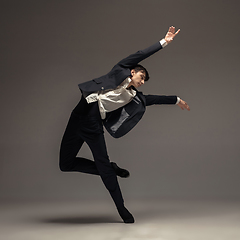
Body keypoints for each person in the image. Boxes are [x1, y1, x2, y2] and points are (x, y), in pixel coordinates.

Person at [59, 26, 190, 224]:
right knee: (65, 164)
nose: (142, 82)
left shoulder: (134, 97)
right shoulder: (120, 69)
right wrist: (164, 42)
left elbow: (154, 99)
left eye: (144, 81)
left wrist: (176, 99)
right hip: (77, 116)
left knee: (104, 171)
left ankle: (122, 209)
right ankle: (111, 168)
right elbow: (141, 54)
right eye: (142, 77)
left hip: (93, 125)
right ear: (133, 71)